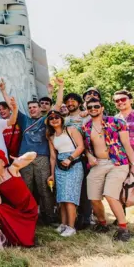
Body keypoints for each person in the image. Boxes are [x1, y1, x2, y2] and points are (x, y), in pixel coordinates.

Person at [0, 78, 64, 226]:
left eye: (35, 107)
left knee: (44, 188)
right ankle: (27, 216)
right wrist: (3, 90)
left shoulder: (46, 119)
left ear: (40, 108)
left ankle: (49, 218)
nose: (33, 109)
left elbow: (58, 105)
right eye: (31, 108)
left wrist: (60, 87)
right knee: (26, 188)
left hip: (42, 158)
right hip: (24, 159)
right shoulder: (24, 120)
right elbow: (11, 106)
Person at [82, 98, 133, 241]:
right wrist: (89, 155)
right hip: (98, 164)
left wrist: (133, 165)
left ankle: (123, 229)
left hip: (117, 162)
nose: (93, 108)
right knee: (93, 197)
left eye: (96, 106)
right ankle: (102, 223)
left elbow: (126, 145)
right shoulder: (86, 127)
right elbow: (86, 147)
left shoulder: (116, 122)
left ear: (102, 107)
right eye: (90, 106)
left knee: (110, 195)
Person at [0, 149, 38, 247]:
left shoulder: (12, 169)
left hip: (29, 209)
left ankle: (19, 237)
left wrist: (21, 158)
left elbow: (33, 154)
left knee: (25, 241)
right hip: (15, 210)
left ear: (3, 163)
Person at [46, 110, 85, 237]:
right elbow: (52, 157)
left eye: (57, 117)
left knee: (69, 197)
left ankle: (71, 226)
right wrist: (52, 174)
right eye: (51, 118)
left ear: (61, 118)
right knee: (61, 197)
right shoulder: (51, 137)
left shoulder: (71, 129)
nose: (54, 119)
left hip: (74, 163)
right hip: (59, 166)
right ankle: (63, 224)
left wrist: (70, 158)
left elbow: (81, 147)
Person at [63, 92, 92, 229]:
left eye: (73, 101)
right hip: (70, 158)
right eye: (68, 101)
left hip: (86, 156)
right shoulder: (64, 120)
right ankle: (75, 218)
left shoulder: (86, 117)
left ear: (80, 103)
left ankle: (86, 218)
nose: (70, 103)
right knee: (74, 189)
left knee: (86, 189)